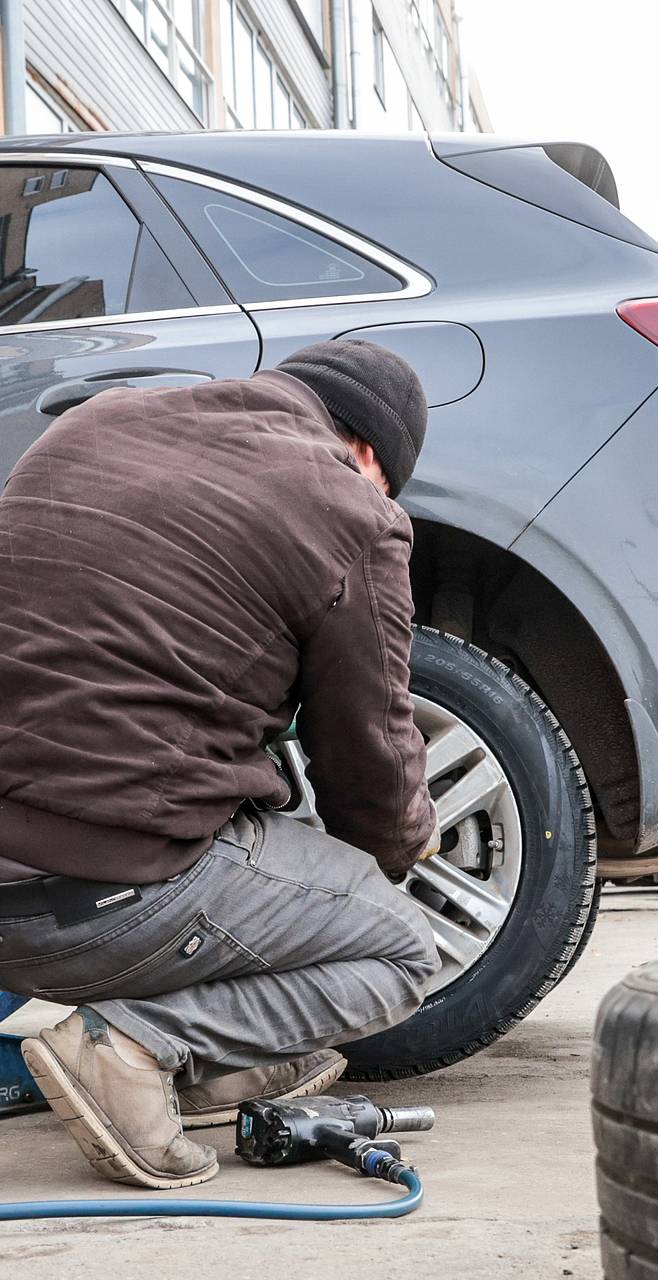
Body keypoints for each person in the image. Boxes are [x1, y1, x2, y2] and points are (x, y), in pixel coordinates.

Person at [0, 339, 440, 1189]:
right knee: (401, 952)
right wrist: (380, 870)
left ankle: (204, 1071)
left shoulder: (89, 427)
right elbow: (372, 767)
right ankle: (134, 1048)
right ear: (371, 456)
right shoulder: (352, 510)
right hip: (100, 898)